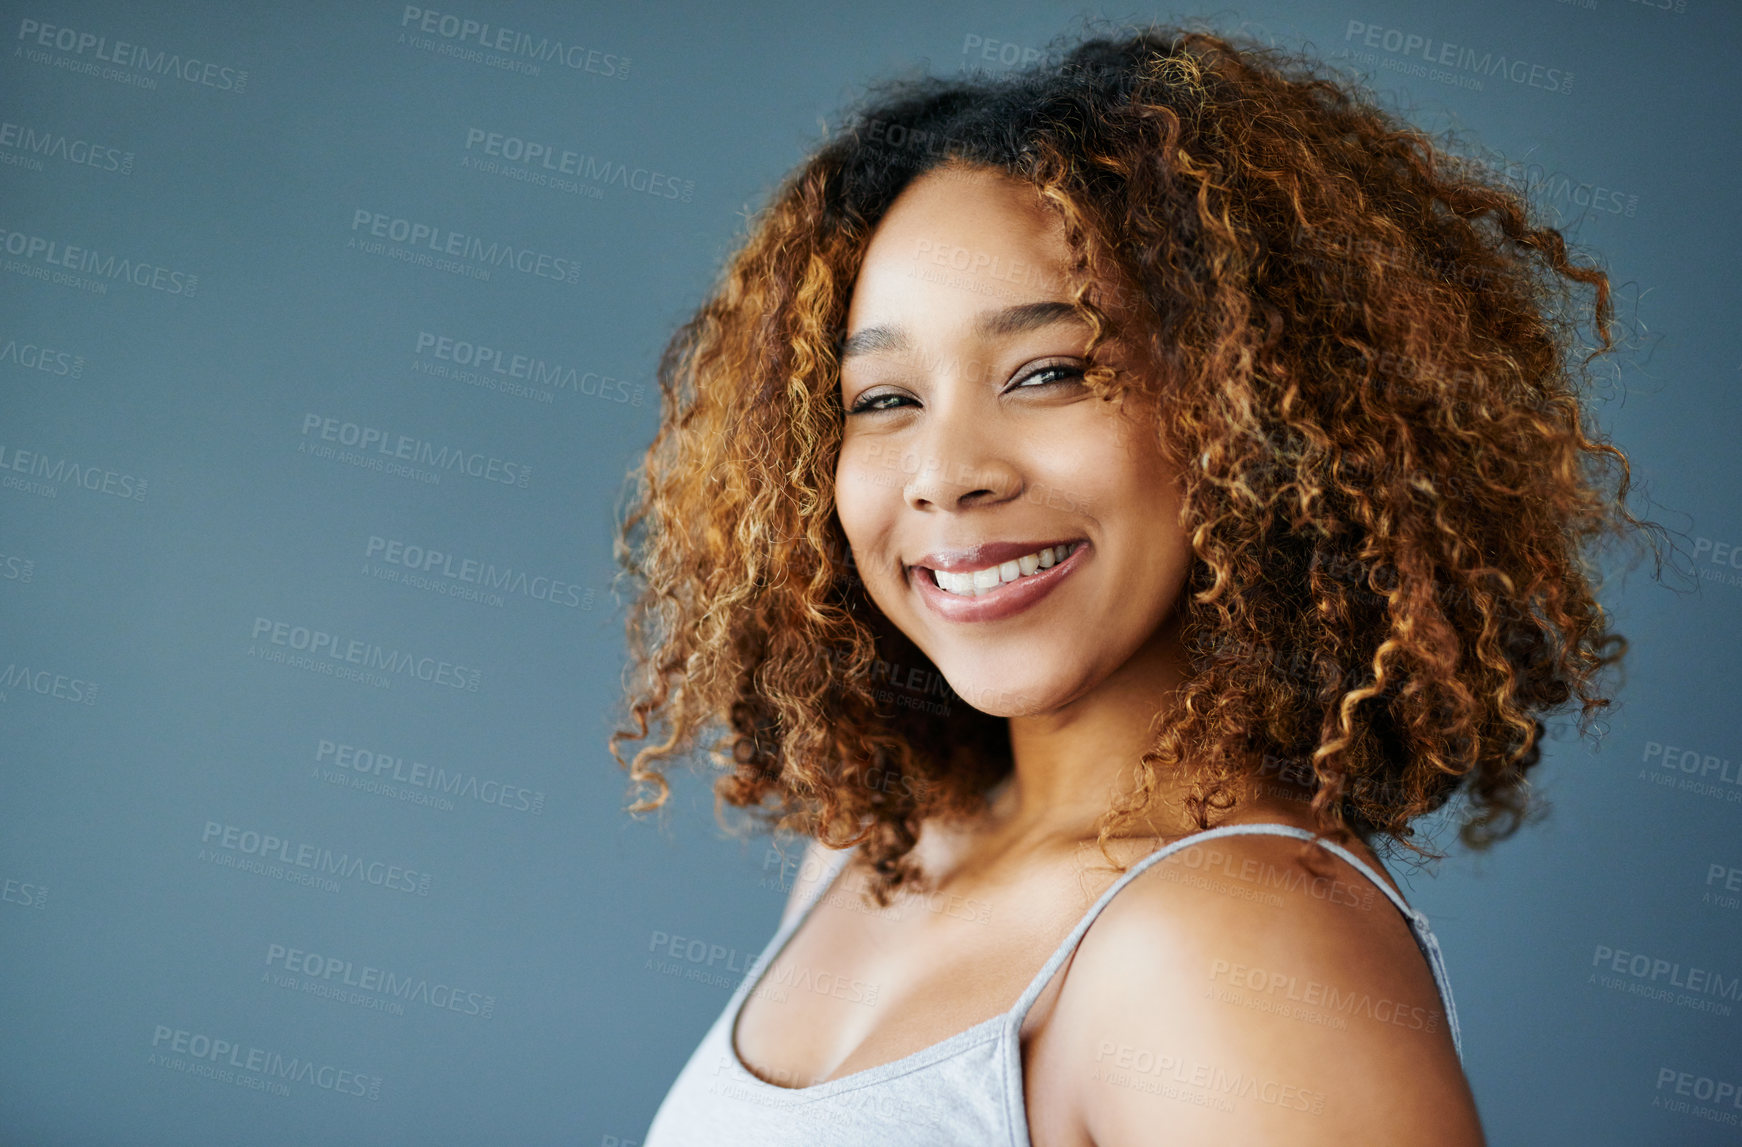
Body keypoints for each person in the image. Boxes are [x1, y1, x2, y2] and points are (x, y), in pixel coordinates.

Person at [612, 22, 1653, 1146]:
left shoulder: (1234, 945)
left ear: (1254, 420)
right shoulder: (877, 850)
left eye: (1050, 373)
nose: (947, 474)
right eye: (882, 398)